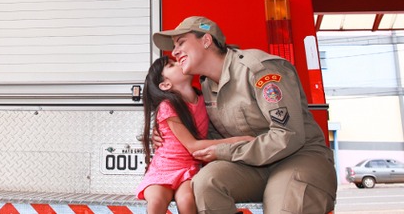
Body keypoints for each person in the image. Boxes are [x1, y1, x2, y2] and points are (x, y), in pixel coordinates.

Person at [151, 16, 337, 214]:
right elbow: (210, 136)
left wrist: (226, 152)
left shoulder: (259, 69)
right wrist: (168, 135)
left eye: (180, 43)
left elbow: (288, 136)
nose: (175, 52)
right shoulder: (207, 85)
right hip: (251, 165)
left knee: (285, 207)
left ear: (206, 41)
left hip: (297, 157)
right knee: (205, 183)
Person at [136, 55, 254, 214]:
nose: (179, 62)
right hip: (163, 169)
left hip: (188, 169)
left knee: (187, 201)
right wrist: (239, 140)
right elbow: (193, 146)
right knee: (156, 202)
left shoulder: (203, 101)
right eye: (171, 65)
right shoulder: (167, 106)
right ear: (165, 85)